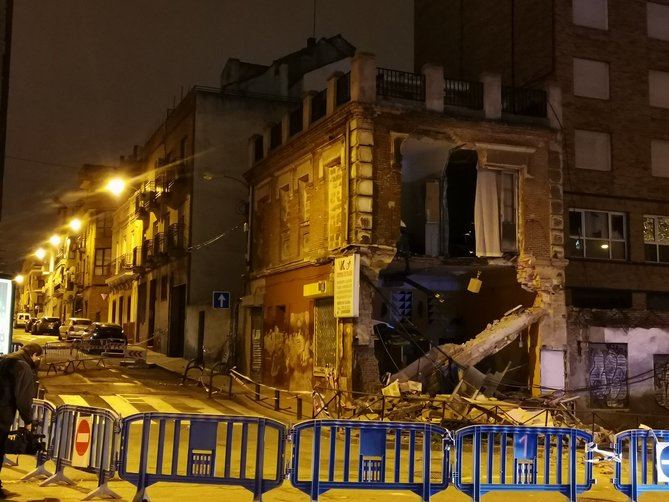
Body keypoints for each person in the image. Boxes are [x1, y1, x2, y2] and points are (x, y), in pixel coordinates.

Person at [0, 343, 42, 498]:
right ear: (34, 355)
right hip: (2, 414)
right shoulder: (23, 367)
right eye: (39, 357)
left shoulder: (4, 359)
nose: (39, 360)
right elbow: (23, 398)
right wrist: (28, 420)